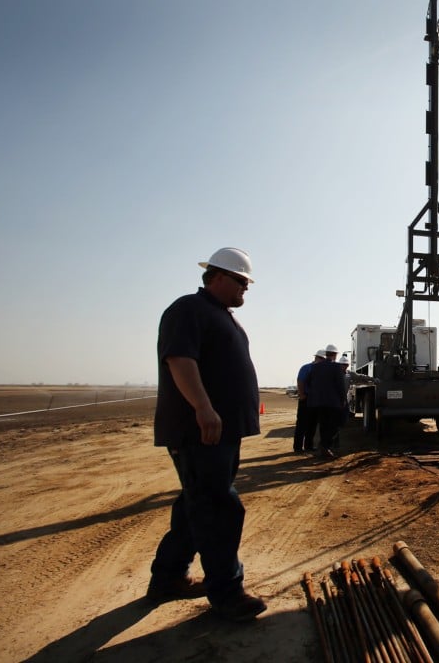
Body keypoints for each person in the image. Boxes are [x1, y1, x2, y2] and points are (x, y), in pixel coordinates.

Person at [148, 247, 267, 622]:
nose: (245, 290)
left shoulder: (219, 315)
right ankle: (228, 593)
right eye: (241, 282)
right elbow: (180, 358)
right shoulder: (188, 309)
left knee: (195, 505)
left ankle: (168, 578)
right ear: (217, 277)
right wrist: (202, 406)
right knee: (218, 509)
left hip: (218, 432)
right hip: (200, 431)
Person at [306, 344, 347, 458]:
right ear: (335, 355)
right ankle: (325, 445)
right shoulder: (336, 367)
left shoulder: (315, 367)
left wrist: (314, 394)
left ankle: (324, 446)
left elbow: (308, 382)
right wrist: (343, 399)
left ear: (326, 354)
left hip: (318, 402)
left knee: (324, 424)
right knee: (336, 424)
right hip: (332, 402)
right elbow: (340, 385)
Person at [293, 349, 325, 453]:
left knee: (312, 424)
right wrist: (302, 395)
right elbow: (300, 381)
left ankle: (308, 446)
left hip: (315, 400)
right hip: (306, 398)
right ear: (319, 358)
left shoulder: (320, 369)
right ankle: (298, 447)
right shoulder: (306, 368)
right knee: (302, 424)